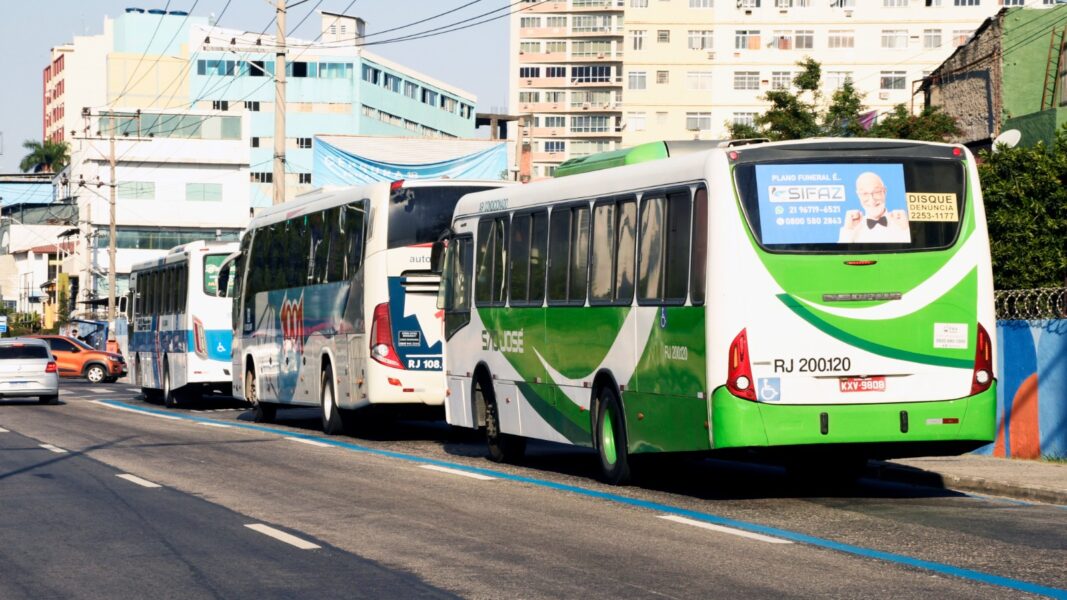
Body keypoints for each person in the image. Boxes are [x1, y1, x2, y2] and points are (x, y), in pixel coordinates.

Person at [838, 171, 910, 243]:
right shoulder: (851, 229)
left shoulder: (901, 224)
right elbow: (841, 253)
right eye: (865, 193)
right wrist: (848, 230)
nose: (872, 200)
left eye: (876, 192)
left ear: (884, 192)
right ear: (858, 195)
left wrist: (906, 229)